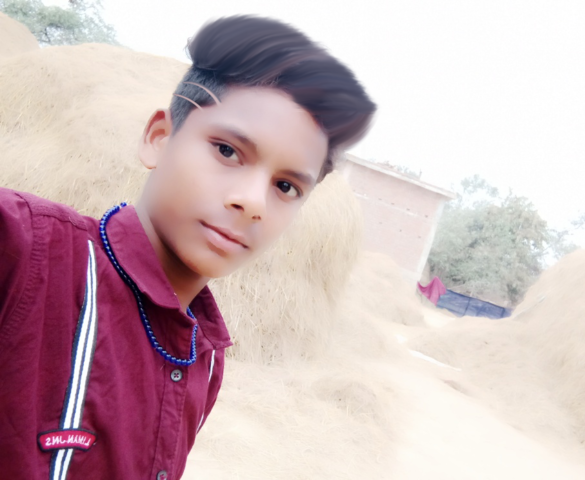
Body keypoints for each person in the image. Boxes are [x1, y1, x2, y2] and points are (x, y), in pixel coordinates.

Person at [0, 15, 375, 479]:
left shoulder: (205, 357)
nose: (252, 202)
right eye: (227, 151)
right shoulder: (28, 250)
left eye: (285, 186)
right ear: (159, 138)